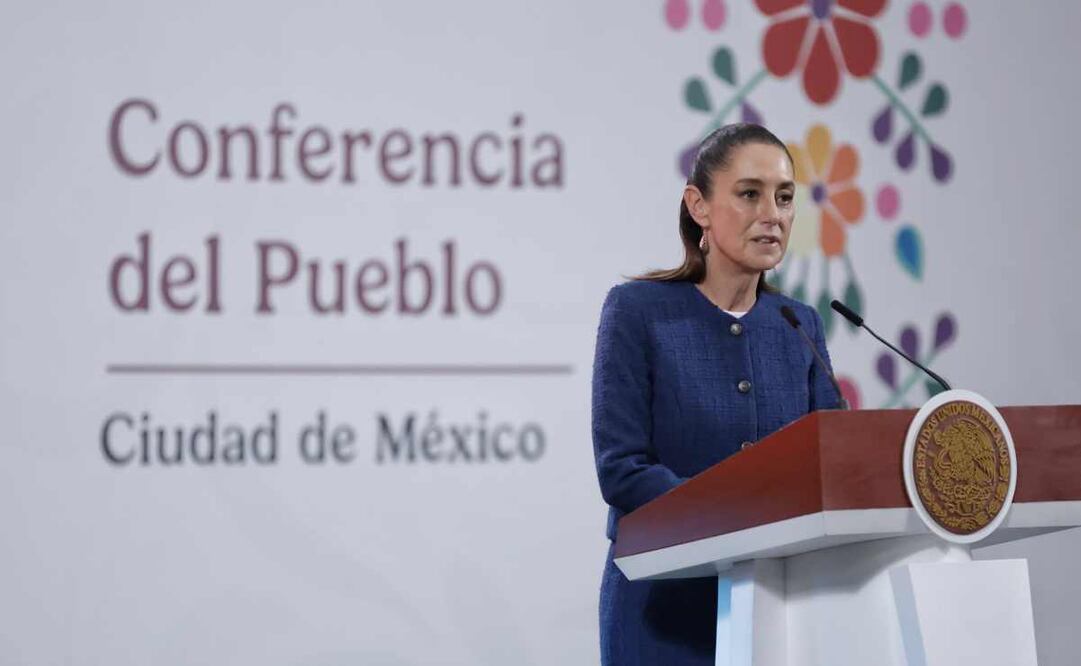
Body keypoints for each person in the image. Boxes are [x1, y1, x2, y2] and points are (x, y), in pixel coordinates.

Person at [591, 123, 840, 664]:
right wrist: (737, 517)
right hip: (662, 611)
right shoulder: (639, 312)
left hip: (783, 609)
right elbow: (623, 469)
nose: (772, 213)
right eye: (749, 194)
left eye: (785, 197)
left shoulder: (799, 324)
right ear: (698, 206)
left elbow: (834, 469)